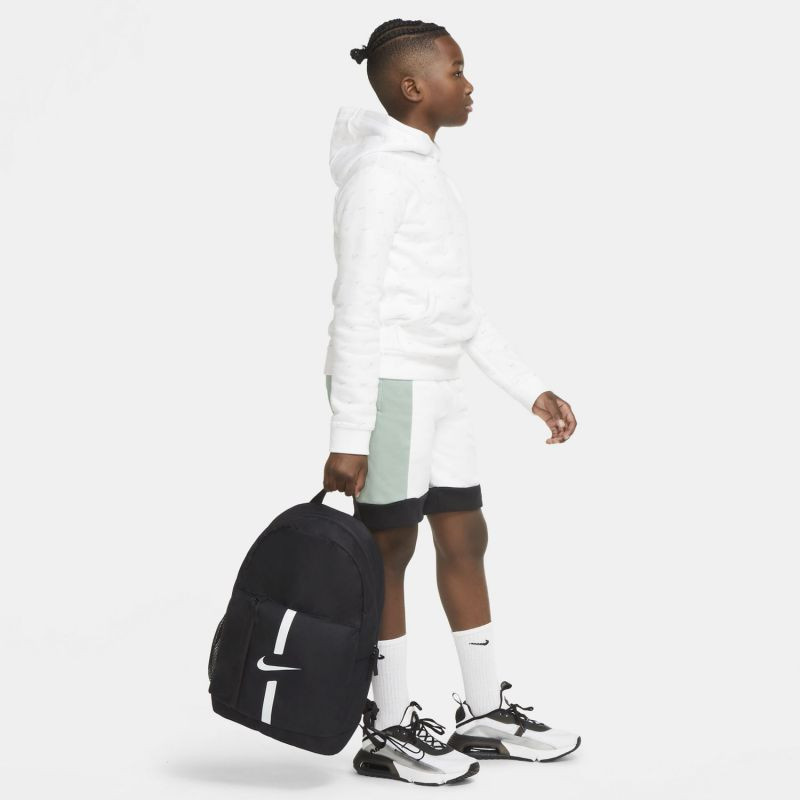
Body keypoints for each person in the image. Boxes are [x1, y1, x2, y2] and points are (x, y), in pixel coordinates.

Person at [322, 18, 580, 785]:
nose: (469, 86)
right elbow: (356, 306)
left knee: (465, 534)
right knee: (389, 550)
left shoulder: (427, 170)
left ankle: (484, 713)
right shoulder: (379, 176)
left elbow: (458, 311)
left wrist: (529, 388)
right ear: (413, 86)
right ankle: (389, 727)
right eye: (457, 72)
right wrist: (350, 432)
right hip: (390, 385)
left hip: (441, 386)